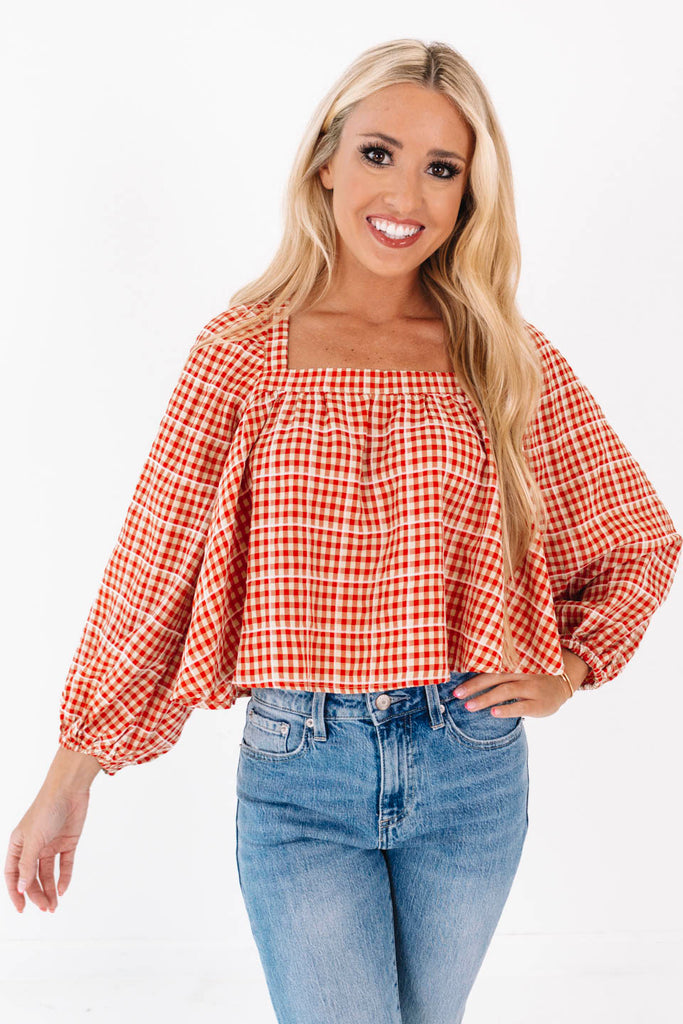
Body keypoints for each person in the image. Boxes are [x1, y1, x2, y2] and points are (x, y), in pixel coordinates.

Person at [5, 37, 681, 1024]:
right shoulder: (241, 353)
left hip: (470, 759)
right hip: (300, 769)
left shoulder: (498, 354)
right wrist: (73, 773)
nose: (404, 193)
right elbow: (156, 569)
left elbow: (636, 537)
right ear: (324, 160)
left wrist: (571, 667)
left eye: (440, 168)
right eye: (377, 152)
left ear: (468, 195)